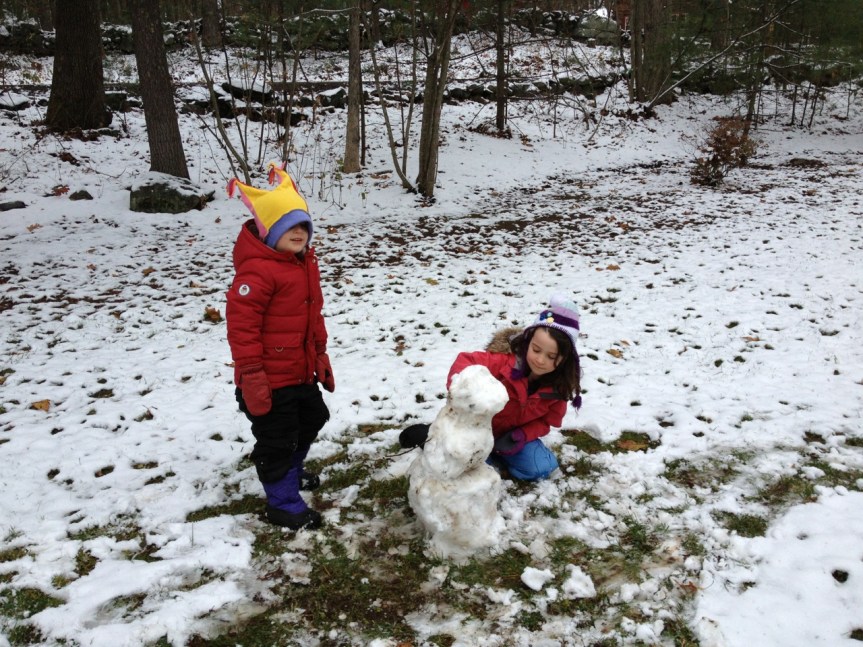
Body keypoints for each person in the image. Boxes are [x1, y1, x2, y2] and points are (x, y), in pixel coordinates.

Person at [226, 162, 335, 530]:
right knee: (278, 438)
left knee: (313, 418)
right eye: (289, 225)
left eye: (304, 225)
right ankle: (282, 502)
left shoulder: (303, 265)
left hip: (300, 371)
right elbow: (242, 328)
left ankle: (291, 470)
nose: (299, 232)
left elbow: (313, 316)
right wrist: (252, 374)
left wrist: (320, 354)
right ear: (269, 230)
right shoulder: (258, 271)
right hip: (268, 378)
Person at [400, 295, 582, 481]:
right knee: (463, 467)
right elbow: (466, 360)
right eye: (536, 350)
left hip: (510, 439)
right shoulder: (503, 363)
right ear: (527, 342)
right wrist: (462, 387)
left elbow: (545, 422)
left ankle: (495, 456)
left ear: (565, 359)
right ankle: (434, 436)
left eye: (552, 356)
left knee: (541, 468)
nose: (541, 360)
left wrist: (523, 435)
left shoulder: (558, 390)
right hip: (473, 431)